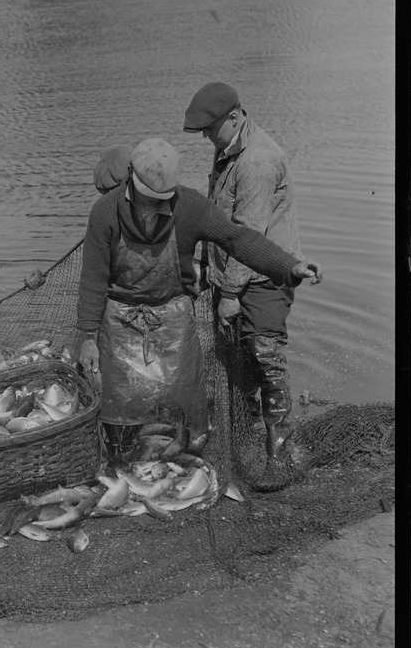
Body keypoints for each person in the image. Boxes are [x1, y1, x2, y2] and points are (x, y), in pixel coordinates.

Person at [75, 138, 322, 482]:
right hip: (120, 318)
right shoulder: (105, 212)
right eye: (146, 196)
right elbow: (92, 280)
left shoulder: (190, 205)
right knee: (120, 409)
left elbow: (239, 239)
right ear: (130, 176)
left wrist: (288, 265)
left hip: (174, 315)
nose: (151, 206)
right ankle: (123, 462)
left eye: (160, 200)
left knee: (186, 409)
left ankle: (186, 461)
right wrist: (88, 336)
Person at [183, 82, 306, 485]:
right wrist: (205, 271)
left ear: (234, 118)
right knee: (236, 359)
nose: (205, 136)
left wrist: (231, 294)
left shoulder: (256, 162)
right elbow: (216, 219)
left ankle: (280, 451)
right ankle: (247, 432)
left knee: (266, 356)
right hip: (231, 272)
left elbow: (248, 236)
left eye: (210, 128)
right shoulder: (227, 149)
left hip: (263, 276)